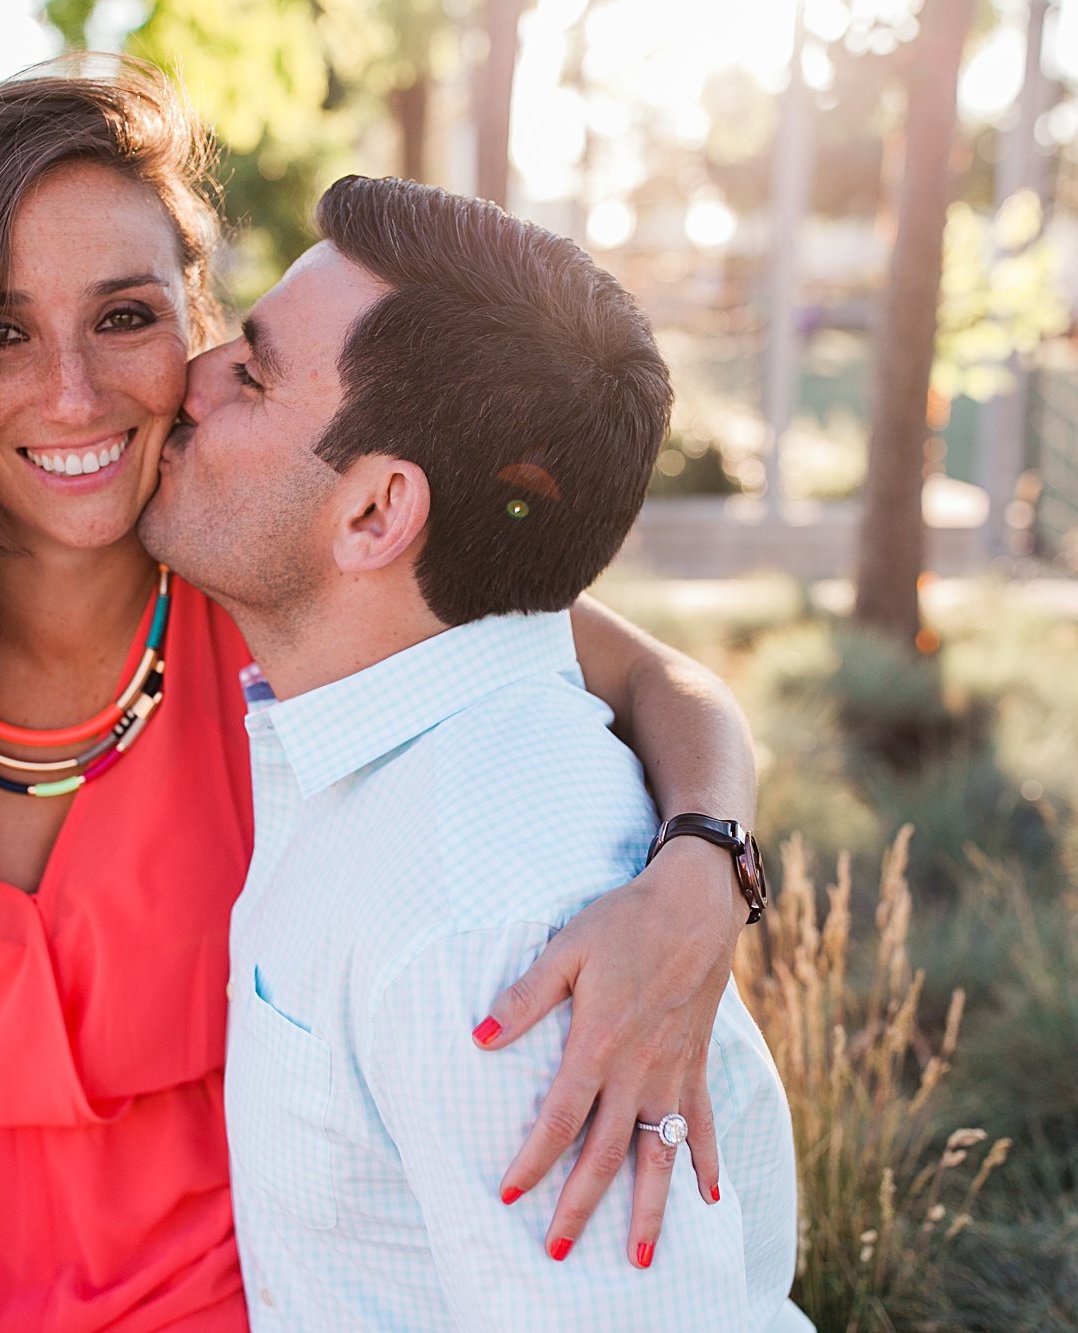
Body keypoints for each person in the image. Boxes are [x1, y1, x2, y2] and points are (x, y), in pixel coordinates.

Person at [0, 63, 765, 1333]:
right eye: (0, 331)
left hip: (245, 1296)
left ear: (191, 321)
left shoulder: (270, 595)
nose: (72, 392)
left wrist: (703, 868)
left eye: (123, 315)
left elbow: (653, 678)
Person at [138, 175, 805, 1330]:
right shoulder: (414, 712)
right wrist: (711, 845)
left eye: (250, 373)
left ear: (373, 514)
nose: (190, 378)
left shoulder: (493, 934)